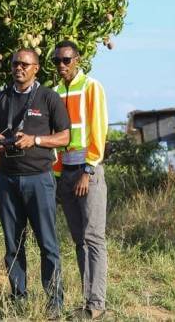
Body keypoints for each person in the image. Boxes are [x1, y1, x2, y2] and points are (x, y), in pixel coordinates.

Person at [0, 48, 70, 318]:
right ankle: (18, 297)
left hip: (39, 178)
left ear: (36, 68)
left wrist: (36, 140)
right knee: (13, 244)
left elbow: (65, 137)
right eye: (14, 64)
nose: (18, 68)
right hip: (7, 179)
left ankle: (54, 301)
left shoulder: (48, 97)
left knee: (47, 243)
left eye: (24, 64)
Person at [52, 40, 109, 320]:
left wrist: (88, 170)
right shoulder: (55, 92)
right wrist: (57, 176)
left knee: (93, 237)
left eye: (66, 60)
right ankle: (87, 301)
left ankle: (96, 304)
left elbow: (98, 130)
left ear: (77, 59)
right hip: (65, 175)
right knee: (79, 240)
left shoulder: (91, 87)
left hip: (88, 172)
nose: (61, 65)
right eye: (57, 61)